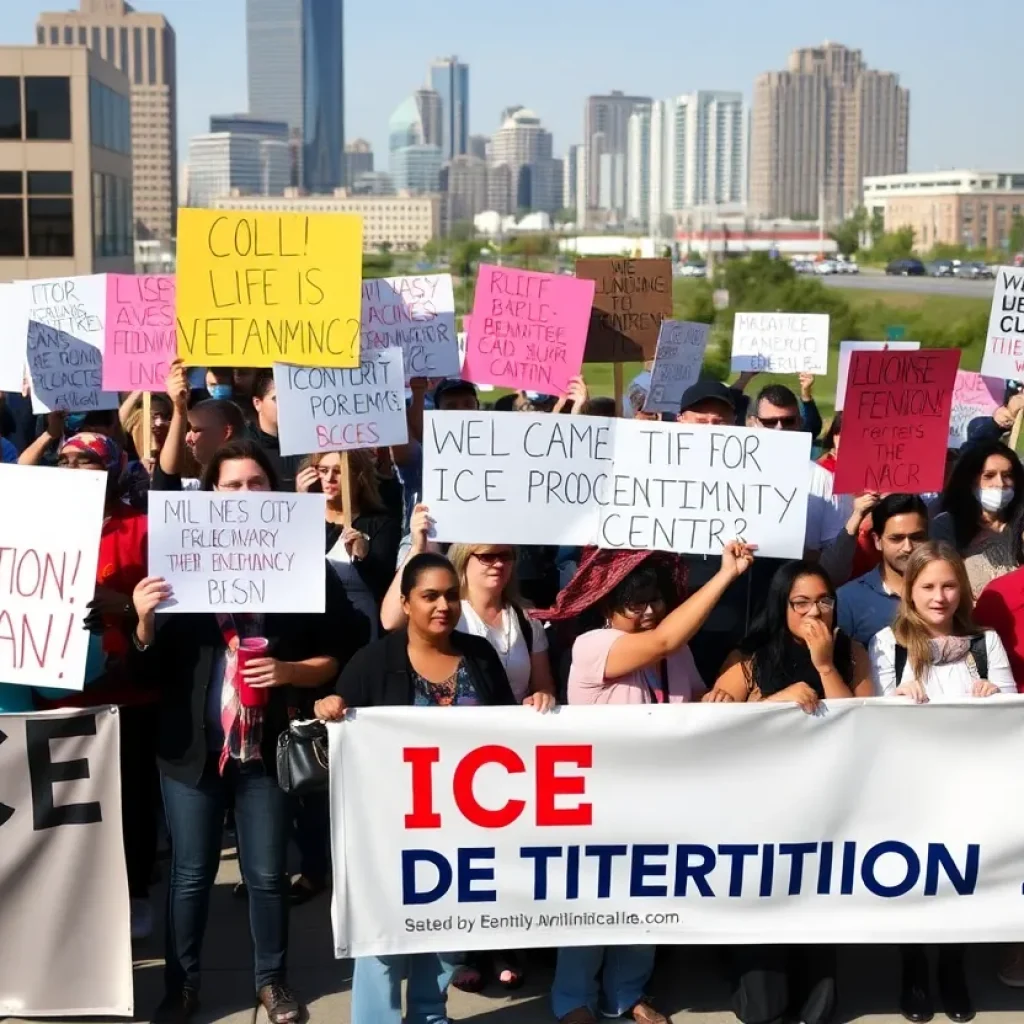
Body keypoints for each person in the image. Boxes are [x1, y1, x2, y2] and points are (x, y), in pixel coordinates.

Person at [131, 440, 368, 1024]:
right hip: (191, 753)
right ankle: (180, 986)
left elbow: (345, 647)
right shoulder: (175, 566)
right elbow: (148, 672)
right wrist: (142, 619)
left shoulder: (304, 564)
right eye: (231, 486)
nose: (243, 496)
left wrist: (291, 672)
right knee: (189, 875)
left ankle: (273, 982)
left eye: (256, 484)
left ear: (275, 492)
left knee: (265, 875)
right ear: (209, 493)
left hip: (265, 754)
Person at [314, 552, 549, 1024]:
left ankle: (429, 1013)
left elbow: (506, 728)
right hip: (389, 830)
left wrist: (535, 704)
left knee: (438, 930)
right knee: (381, 935)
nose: (443, 605)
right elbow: (340, 730)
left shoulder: (478, 654)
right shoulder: (374, 660)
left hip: (460, 828)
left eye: (450, 595)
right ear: (405, 602)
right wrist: (330, 704)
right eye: (429, 596)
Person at [529, 544, 751, 1024]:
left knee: (647, 901)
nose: (650, 612)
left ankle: (626, 994)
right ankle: (574, 1000)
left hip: (662, 796)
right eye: (636, 604)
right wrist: (727, 574)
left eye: (656, 602)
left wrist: (714, 698)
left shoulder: (680, 650)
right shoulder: (593, 645)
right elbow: (664, 641)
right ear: (608, 606)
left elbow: (691, 700)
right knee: (591, 904)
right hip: (599, 799)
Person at [703, 564, 870, 1024]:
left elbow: (863, 720)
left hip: (825, 810)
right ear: (782, 607)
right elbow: (710, 719)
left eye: (824, 600)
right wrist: (776, 700)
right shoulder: (749, 657)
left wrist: (823, 666)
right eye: (802, 603)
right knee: (763, 1008)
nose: (815, 611)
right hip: (759, 813)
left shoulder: (849, 652)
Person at [18, 424, 158, 939]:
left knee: (130, 801)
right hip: (56, 694)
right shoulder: (33, 527)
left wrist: (122, 606)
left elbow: (162, 602)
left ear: (114, 471)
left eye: (88, 462)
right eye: (66, 462)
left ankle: (136, 890)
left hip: (125, 695)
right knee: (66, 811)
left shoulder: (141, 527)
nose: (74, 470)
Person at [869, 542, 1013, 1023]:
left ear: (962, 589)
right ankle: (913, 968)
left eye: (949, 585)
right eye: (928, 586)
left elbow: (1011, 714)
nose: (939, 596)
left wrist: (993, 694)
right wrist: (896, 697)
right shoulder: (887, 644)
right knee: (912, 882)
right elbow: (872, 721)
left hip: (972, 787)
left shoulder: (985, 643)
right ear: (909, 592)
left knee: (964, 881)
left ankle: (953, 968)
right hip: (909, 789)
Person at [295, 449, 401, 636]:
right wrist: (301, 507)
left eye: (338, 470)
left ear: (359, 476)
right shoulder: (303, 517)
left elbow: (385, 584)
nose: (329, 478)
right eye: (323, 470)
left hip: (359, 628)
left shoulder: (380, 524)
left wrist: (364, 556)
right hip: (310, 628)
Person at [836, 495, 930, 645]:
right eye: (896, 538)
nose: (908, 548)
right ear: (877, 541)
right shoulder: (848, 600)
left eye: (917, 537)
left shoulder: (945, 593)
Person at [931, 441, 1024, 583]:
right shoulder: (947, 525)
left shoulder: (1021, 523)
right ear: (970, 481)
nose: (1000, 483)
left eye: (1007, 475)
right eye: (989, 475)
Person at [155, 360, 247, 490]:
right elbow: (165, 480)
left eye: (195, 430)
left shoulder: (253, 477)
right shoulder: (191, 488)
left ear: (225, 432)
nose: (187, 438)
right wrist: (179, 409)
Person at [248, 369, 303, 491]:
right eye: (277, 399)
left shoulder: (309, 447)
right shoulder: (244, 447)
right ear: (257, 403)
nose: (287, 405)